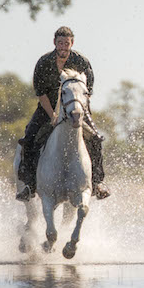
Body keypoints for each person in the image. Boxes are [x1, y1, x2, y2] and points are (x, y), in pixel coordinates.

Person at [15, 26, 109, 201]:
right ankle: (29, 185)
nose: (63, 47)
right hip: (47, 107)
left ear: (72, 43)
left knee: (95, 138)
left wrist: (79, 112)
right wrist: (52, 115)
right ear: (54, 43)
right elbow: (40, 93)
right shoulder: (44, 62)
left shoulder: (81, 62)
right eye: (60, 43)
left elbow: (87, 91)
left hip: (76, 108)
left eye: (66, 43)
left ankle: (97, 183)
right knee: (28, 139)